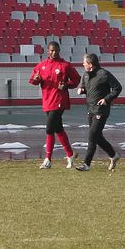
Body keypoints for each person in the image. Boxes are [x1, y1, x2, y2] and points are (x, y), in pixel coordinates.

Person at [28, 41, 80, 169]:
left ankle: (48, 159)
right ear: (48, 51)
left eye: (56, 50)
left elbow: (76, 79)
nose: (54, 53)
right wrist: (36, 79)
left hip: (59, 99)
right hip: (47, 100)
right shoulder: (41, 65)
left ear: (59, 50)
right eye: (52, 50)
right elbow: (33, 80)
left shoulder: (65, 65)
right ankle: (71, 154)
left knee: (49, 128)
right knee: (58, 129)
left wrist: (66, 85)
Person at [75, 53, 122, 171]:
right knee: (97, 137)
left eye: (84, 62)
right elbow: (84, 87)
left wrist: (107, 99)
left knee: (92, 136)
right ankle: (114, 155)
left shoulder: (104, 74)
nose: (83, 64)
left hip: (101, 110)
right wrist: (81, 89)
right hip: (90, 109)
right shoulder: (85, 74)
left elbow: (117, 88)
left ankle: (86, 164)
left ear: (90, 64)